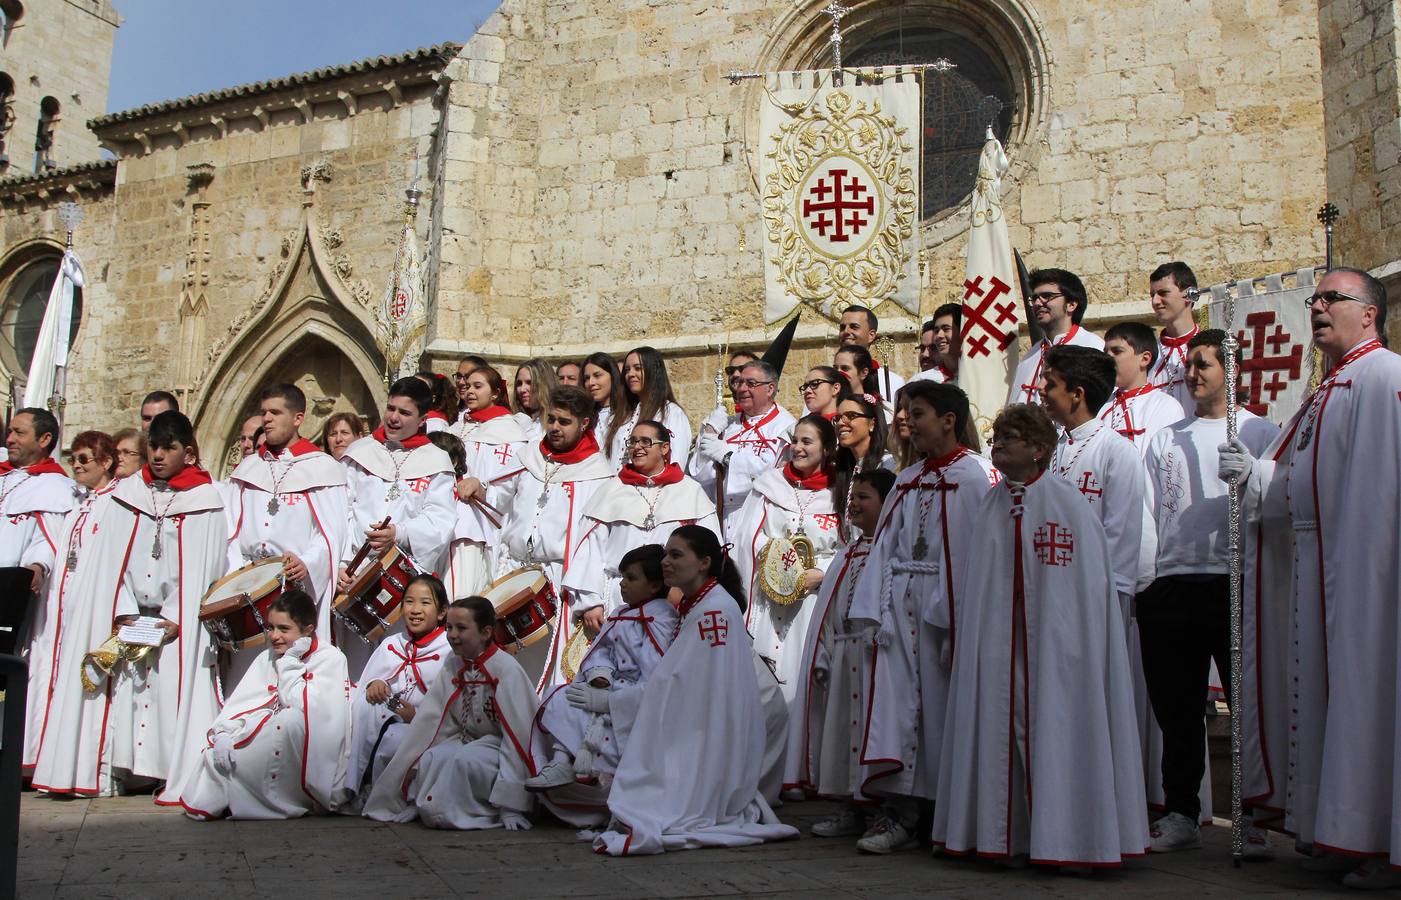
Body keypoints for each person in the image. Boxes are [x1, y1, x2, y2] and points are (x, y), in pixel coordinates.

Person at [1224, 267, 1401, 888]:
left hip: (1367, 576)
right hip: (1313, 570)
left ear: (1370, 313)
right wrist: (1255, 476)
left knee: (1369, 703)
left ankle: (1379, 842)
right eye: (1315, 298)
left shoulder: (1384, 377)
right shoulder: (1327, 390)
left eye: (1333, 298)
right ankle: (1339, 832)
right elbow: (1294, 488)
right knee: (1323, 703)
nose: (1318, 306)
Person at [932, 404, 1149, 867]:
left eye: (1012, 437)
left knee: (1057, 732)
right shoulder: (993, 504)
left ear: (1039, 449)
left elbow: (1086, 591)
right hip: (999, 649)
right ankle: (1002, 835)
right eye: (998, 436)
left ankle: (1065, 838)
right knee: (1000, 730)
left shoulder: (1069, 505)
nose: (1000, 443)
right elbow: (980, 581)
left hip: (1057, 652)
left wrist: (1061, 635)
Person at [1140, 329, 1279, 852]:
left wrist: (1255, 475)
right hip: (1173, 579)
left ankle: (1252, 812)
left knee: (1245, 702)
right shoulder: (1165, 438)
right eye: (1191, 365)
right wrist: (1147, 580)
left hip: (1233, 577)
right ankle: (1181, 810)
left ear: (1232, 372)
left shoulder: (1261, 431)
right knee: (1176, 706)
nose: (1194, 374)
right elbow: (1149, 513)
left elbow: (1278, 497)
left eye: (1205, 364)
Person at [844, 382, 993, 852]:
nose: (907, 421)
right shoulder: (907, 478)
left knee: (943, 711)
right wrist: (873, 610)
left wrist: (960, 619)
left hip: (948, 611)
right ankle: (900, 810)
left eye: (918, 413)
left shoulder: (976, 477)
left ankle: (946, 813)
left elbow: (977, 555)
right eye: (905, 411)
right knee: (897, 710)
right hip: (899, 609)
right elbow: (885, 546)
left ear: (949, 420)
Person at [593, 525, 800, 854]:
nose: (665, 562)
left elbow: (681, 684)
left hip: (713, 734)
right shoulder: (701, 603)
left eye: (676, 555)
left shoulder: (714, 611)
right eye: (666, 554)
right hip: (708, 723)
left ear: (704, 562)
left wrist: (618, 701)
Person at [78, 411, 228, 805]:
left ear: (189, 453)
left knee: (168, 693)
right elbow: (113, 560)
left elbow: (206, 568)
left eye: (169, 448)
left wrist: (173, 618)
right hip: (130, 614)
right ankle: (126, 770)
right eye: (154, 447)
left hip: (175, 620)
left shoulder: (205, 499)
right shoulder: (129, 493)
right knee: (127, 691)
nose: (159, 455)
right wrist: (125, 608)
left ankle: (167, 771)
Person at [526, 544, 680, 818]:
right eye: (622, 576)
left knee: (578, 706)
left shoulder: (662, 619)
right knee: (559, 694)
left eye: (631, 578)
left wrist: (612, 699)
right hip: (609, 685)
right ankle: (561, 761)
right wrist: (599, 675)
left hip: (634, 697)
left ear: (655, 585)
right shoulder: (622, 613)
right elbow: (602, 651)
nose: (622, 584)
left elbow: (656, 671)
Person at [364, 596, 539, 830]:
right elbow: (433, 720)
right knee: (432, 758)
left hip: (498, 746)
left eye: (461, 628)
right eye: (449, 628)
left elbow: (520, 738)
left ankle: (488, 809)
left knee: (465, 762)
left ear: (486, 632)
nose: (452, 635)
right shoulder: (455, 662)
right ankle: (422, 804)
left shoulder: (505, 670)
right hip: (466, 739)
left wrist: (512, 805)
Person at [732, 414, 842, 786]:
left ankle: (804, 772)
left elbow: (850, 546)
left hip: (812, 604)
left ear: (826, 449)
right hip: (768, 602)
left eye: (808, 442)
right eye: (795, 440)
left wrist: (823, 573)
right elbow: (747, 536)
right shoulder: (770, 485)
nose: (798, 447)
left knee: (804, 684)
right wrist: (775, 555)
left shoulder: (839, 490)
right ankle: (764, 772)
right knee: (767, 683)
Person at [180, 590, 351, 820]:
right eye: (271, 627)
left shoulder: (331, 658)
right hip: (262, 733)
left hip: (303, 748)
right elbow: (242, 704)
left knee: (288, 721)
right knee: (215, 757)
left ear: (308, 630)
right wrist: (224, 733)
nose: (274, 636)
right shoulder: (266, 657)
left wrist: (290, 663)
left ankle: (279, 800)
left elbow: (308, 711)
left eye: (284, 629)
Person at [795, 469, 894, 837]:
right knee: (843, 734)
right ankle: (850, 807)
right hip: (843, 653)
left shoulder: (890, 551)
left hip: (874, 656)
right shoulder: (846, 553)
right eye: (852, 497)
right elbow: (830, 606)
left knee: (872, 732)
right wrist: (823, 652)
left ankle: (881, 810)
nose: (853, 503)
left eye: (864, 497)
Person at [495, 386, 613, 690]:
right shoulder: (530, 456)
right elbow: (498, 498)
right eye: (551, 420)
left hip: (559, 578)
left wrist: (590, 598)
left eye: (564, 422)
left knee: (545, 672)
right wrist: (477, 488)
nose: (554, 428)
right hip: (514, 572)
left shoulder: (597, 473)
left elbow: (595, 540)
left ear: (584, 424)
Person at [225, 383, 350, 641]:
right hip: (247, 590)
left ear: (298, 418)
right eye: (264, 412)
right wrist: (238, 579)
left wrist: (308, 562)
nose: (266, 419)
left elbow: (330, 535)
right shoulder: (247, 469)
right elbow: (229, 533)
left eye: (275, 412)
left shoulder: (322, 468)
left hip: (294, 589)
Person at [24, 431, 117, 775]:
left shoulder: (116, 502)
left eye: (84, 460)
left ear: (106, 462)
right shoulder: (77, 502)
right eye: (73, 459)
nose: (76, 466)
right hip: (60, 603)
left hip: (92, 603)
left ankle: (83, 766)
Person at [566, 421, 718, 616]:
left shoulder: (690, 491)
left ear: (664, 448)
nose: (637, 447)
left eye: (645, 442)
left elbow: (709, 550)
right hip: (617, 599)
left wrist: (686, 587)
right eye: (633, 442)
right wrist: (590, 603)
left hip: (673, 599)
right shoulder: (611, 490)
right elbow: (590, 550)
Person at [337, 377, 457, 618]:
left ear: (423, 420)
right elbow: (341, 513)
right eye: (391, 408)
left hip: (403, 577)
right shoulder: (360, 452)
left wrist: (399, 533)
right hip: (353, 571)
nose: (393, 417)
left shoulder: (436, 460)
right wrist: (340, 563)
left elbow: (441, 520)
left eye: (404, 412)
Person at [1041, 345, 1148, 612]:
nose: (1041, 389)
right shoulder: (1052, 448)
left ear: (1077, 394)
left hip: (1098, 594)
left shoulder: (1116, 452)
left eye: (1051, 383)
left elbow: (1120, 535)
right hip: (1050, 588)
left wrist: (1095, 590)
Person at [342, 573, 450, 810]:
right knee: (365, 705)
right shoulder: (392, 643)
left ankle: (382, 796)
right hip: (392, 713)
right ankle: (353, 786)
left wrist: (419, 717)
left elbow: (451, 703)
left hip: (426, 726)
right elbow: (372, 680)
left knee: (395, 738)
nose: (415, 610)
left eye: (425, 603)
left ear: (442, 612)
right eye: (409, 602)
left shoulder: (449, 650)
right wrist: (376, 684)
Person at [690, 359, 796, 538]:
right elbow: (700, 475)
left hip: (762, 518)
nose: (741, 388)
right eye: (739, 382)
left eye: (751, 383)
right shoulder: (729, 424)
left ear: (770, 389)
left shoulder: (786, 426)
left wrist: (729, 457)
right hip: (723, 517)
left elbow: (777, 475)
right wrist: (709, 432)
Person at [446, 365, 527, 597]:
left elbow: (509, 487)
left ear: (494, 393)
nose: (469, 390)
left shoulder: (510, 433)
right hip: (452, 520)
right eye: (468, 385)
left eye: (477, 386)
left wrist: (482, 488)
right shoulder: (457, 427)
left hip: (486, 521)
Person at [1, 407, 74, 595]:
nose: (9, 439)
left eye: (19, 433)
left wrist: (38, 566)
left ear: (44, 439)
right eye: (9, 432)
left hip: (11, 589)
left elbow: (49, 539)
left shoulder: (59, 488)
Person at [1008, 268, 1105, 405]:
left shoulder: (1093, 347)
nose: (1037, 303)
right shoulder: (1029, 358)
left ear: (1071, 305)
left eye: (1047, 296)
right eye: (1034, 298)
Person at [1100, 321, 1186, 452]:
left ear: (1145, 359)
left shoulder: (1165, 406)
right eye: (1105, 352)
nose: (1107, 358)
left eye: (1117, 351)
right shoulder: (1100, 406)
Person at [605, 346, 693, 471]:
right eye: (627, 370)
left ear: (653, 371)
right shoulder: (621, 415)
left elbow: (676, 462)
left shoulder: (671, 413)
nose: (630, 374)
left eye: (638, 368)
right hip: (617, 488)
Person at [1148, 261, 1201, 410]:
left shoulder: (1208, 349)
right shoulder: (1148, 354)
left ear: (1190, 294)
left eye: (1163, 293)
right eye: (1152, 295)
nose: (1155, 301)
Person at [839, 305, 905, 400]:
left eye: (854, 327)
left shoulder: (892, 381)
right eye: (842, 327)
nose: (846, 331)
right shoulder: (828, 379)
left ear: (871, 335)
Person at [908, 303, 961, 385]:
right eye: (936, 331)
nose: (939, 336)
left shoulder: (980, 375)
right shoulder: (920, 382)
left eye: (946, 329)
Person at [582, 352, 628, 445]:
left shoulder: (630, 412)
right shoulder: (582, 414)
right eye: (587, 378)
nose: (591, 382)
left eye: (597, 375)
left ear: (612, 376)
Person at [512, 357, 557, 442]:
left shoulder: (557, 421)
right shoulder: (515, 419)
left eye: (529, 383)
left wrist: (528, 430)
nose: (522, 389)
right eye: (519, 383)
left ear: (544, 384)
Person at [451, 355, 490, 425]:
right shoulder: (454, 412)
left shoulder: (490, 418)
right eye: (459, 376)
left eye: (467, 377)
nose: (461, 382)